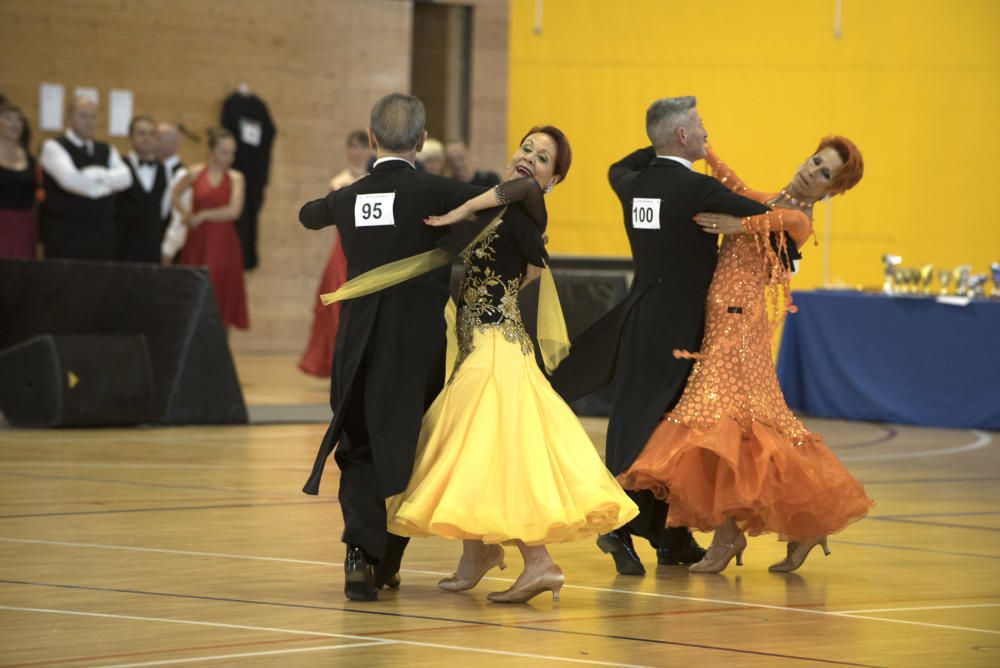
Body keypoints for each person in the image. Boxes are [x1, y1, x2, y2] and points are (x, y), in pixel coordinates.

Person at [384, 126, 638, 604]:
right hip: (486, 344)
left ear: (552, 180)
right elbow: (531, 268)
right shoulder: (504, 213)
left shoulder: (524, 205)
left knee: (490, 449)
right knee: (475, 449)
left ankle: (539, 562)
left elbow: (529, 243)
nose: (530, 159)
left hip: (496, 350)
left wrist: (460, 219)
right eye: (527, 149)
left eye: (544, 159)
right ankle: (477, 552)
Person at [619, 137, 874, 573]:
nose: (813, 171)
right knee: (750, 431)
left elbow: (774, 221)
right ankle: (797, 528)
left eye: (825, 173)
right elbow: (734, 184)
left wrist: (736, 224)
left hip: (739, 329)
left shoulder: (799, 220)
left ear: (831, 191)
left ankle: (729, 536)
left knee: (725, 429)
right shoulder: (770, 200)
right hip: (722, 324)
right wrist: (706, 149)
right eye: (815, 161)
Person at [299, 93, 510, 602]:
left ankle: (360, 554)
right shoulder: (431, 190)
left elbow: (309, 215)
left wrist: (341, 203)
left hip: (356, 338)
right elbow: (500, 197)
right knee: (407, 446)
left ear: (372, 139)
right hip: (414, 342)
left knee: (359, 445)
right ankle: (384, 560)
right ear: (420, 141)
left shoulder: (350, 196)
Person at [549, 96, 771, 576]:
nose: (707, 134)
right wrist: (742, 221)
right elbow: (764, 213)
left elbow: (622, 162)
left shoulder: (629, 182)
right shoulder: (695, 190)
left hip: (640, 317)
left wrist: (658, 144)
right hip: (681, 328)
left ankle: (670, 537)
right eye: (700, 128)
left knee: (641, 421)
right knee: (665, 432)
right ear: (684, 138)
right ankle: (619, 525)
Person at [299, 130, 372, 378]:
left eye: (362, 147)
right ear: (347, 149)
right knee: (335, 305)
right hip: (344, 248)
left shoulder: (374, 178)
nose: (357, 152)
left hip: (370, 250)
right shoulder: (338, 182)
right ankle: (336, 360)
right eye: (353, 146)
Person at [38, 97, 132, 259]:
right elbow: (70, 181)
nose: (89, 121)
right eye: (83, 116)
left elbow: (126, 179)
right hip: (66, 237)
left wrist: (93, 175)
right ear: (69, 119)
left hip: (102, 238)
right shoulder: (53, 146)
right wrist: (108, 181)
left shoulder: (106, 148)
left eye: (93, 116)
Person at [173, 128, 248, 329]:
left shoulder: (236, 178)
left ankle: (219, 354)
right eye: (224, 152)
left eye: (232, 153)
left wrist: (204, 215)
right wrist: (186, 214)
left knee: (221, 298)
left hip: (224, 245)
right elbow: (174, 194)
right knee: (193, 295)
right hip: (197, 241)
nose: (229, 158)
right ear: (212, 151)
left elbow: (234, 211)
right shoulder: (195, 173)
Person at [115, 116, 168, 262]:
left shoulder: (165, 170)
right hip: (121, 249)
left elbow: (165, 211)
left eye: (151, 134)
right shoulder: (117, 166)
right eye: (141, 133)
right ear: (130, 137)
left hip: (153, 250)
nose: (147, 138)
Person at [0, 101, 37, 258]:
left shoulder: (30, 159)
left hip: (24, 225)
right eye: (8, 118)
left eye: (19, 119)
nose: (14, 124)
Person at [157, 123, 189, 263]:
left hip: (167, 246)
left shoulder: (182, 175)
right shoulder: (154, 167)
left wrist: (168, 250)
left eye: (157, 138)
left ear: (173, 144)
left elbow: (180, 217)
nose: (152, 142)